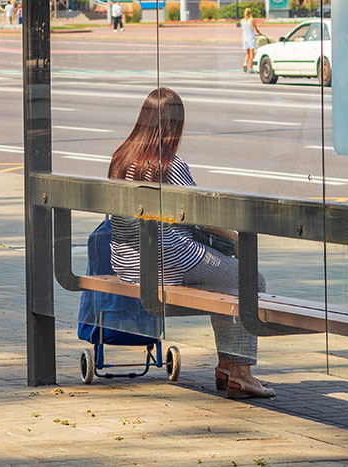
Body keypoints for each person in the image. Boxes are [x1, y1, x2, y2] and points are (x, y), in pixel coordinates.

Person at [108, 88, 276, 399]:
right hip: (170, 261)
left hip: (127, 262)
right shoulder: (168, 164)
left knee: (229, 285)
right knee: (252, 280)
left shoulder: (121, 158)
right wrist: (236, 238)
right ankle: (239, 372)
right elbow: (199, 213)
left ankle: (230, 366)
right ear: (174, 126)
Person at [240, 8, 262, 73]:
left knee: (248, 53)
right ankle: (250, 68)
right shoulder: (251, 20)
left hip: (244, 38)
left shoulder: (242, 21)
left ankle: (245, 63)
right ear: (250, 13)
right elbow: (256, 29)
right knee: (252, 53)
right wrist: (260, 34)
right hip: (251, 38)